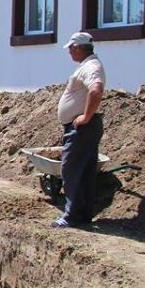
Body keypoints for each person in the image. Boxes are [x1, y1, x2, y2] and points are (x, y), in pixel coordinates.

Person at [53, 32, 105, 229]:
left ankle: (72, 216)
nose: (69, 52)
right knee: (83, 172)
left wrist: (85, 117)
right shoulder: (87, 65)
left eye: (70, 48)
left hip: (83, 128)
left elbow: (96, 90)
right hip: (84, 128)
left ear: (78, 47)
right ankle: (82, 215)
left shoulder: (91, 66)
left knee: (71, 170)